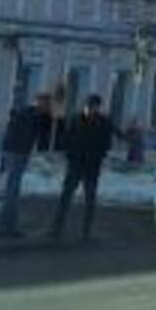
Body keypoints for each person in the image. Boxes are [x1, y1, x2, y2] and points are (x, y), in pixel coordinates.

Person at [49, 94, 113, 241]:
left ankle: (86, 230)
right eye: (89, 106)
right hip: (75, 164)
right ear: (85, 105)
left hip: (92, 166)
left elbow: (106, 143)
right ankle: (56, 227)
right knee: (65, 197)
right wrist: (69, 154)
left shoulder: (103, 122)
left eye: (94, 106)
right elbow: (67, 138)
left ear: (98, 107)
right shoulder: (76, 119)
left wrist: (99, 155)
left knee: (90, 200)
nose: (91, 109)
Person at [0, 93, 51, 239]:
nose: (47, 107)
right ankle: (6, 227)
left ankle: (6, 225)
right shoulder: (29, 115)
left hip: (14, 152)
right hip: (17, 153)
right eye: (45, 104)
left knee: (12, 190)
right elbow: (27, 135)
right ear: (39, 103)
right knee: (12, 191)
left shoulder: (27, 113)